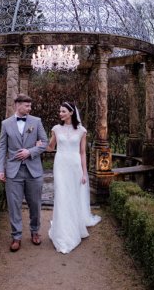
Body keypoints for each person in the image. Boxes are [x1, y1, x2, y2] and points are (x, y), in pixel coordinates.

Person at [46, 101, 101, 254]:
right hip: (61, 164)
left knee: (72, 196)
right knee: (62, 195)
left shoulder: (82, 131)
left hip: (75, 165)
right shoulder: (56, 129)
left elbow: (82, 153)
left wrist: (84, 173)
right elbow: (51, 147)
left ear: (71, 112)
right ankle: (62, 233)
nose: (60, 113)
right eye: (60, 111)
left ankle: (74, 226)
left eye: (63, 111)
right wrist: (41, 143)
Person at [0, 93, 48, 252]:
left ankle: (35, 232)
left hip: (34, 171)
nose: (30, 108)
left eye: (30, 106)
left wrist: (30, 151)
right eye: (27, 105)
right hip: (13, 171)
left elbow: (44, 143)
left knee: (35, 204)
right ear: (17, 105)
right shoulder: (6, 124)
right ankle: (16, 236)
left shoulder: (36, 122)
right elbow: (2, 148)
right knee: (14, 205)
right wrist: (0, 169)